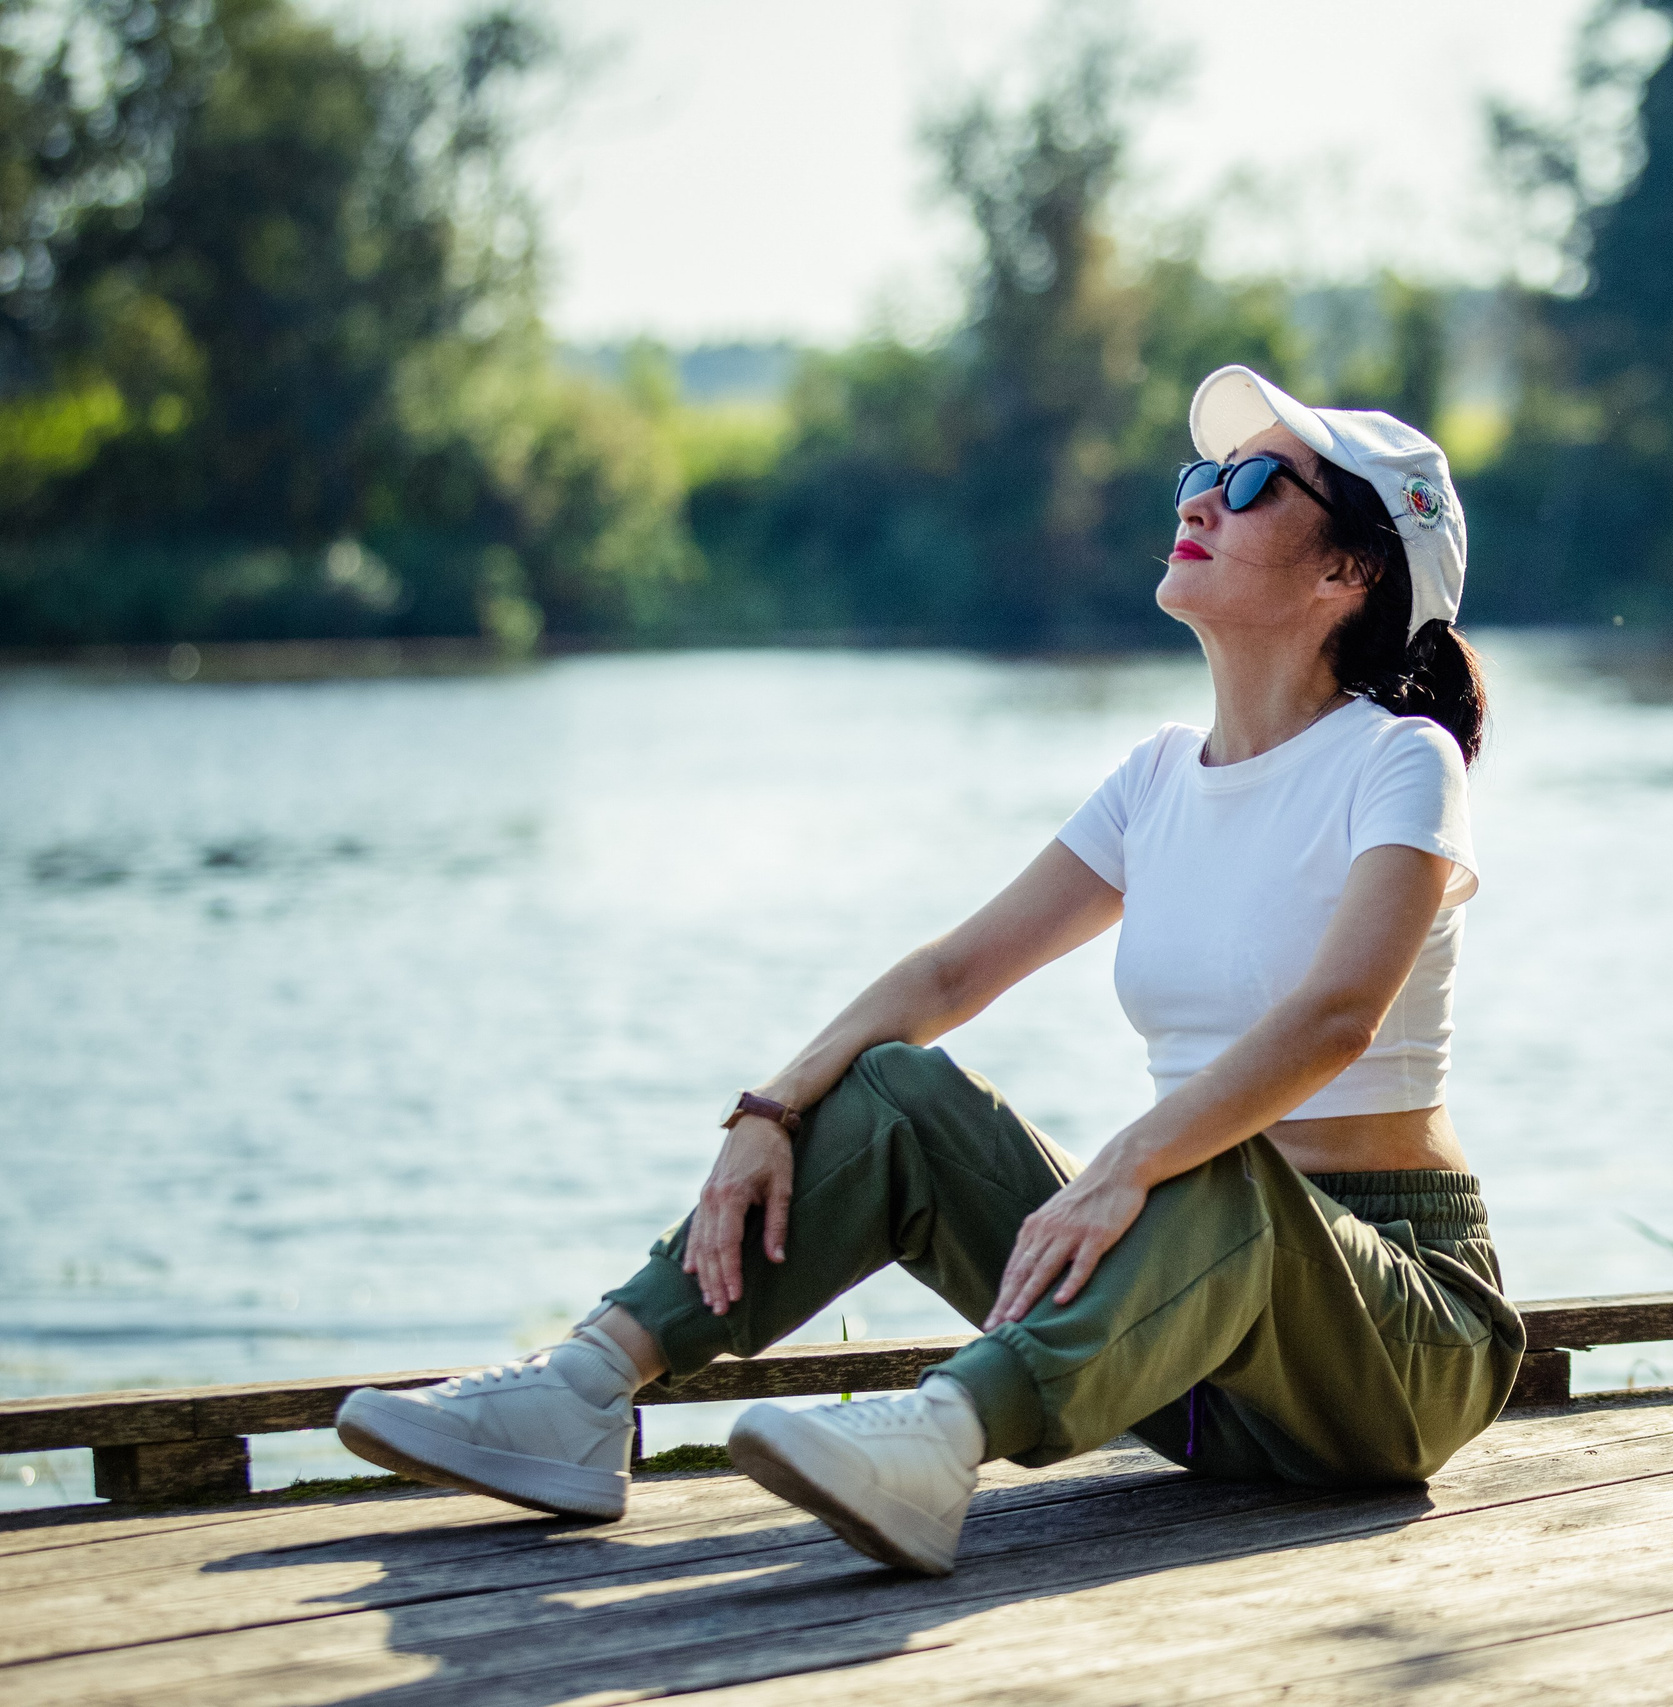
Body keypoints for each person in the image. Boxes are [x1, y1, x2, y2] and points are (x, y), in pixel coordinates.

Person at [334, 365, 1523, 1577]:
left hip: (1399, 1352)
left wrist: (1123, 1165)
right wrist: (771, 1103)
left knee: (1212, 1169)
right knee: (897, 1086)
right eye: (1203, 475)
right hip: (1194, 1369)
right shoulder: (1157, 778)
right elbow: (954, 969)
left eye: (1260, 482)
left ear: (1349, 572)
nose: (1208, 499)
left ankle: (938, 1442)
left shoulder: (1401, 761)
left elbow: (1333, 1020)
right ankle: (586, 1386)